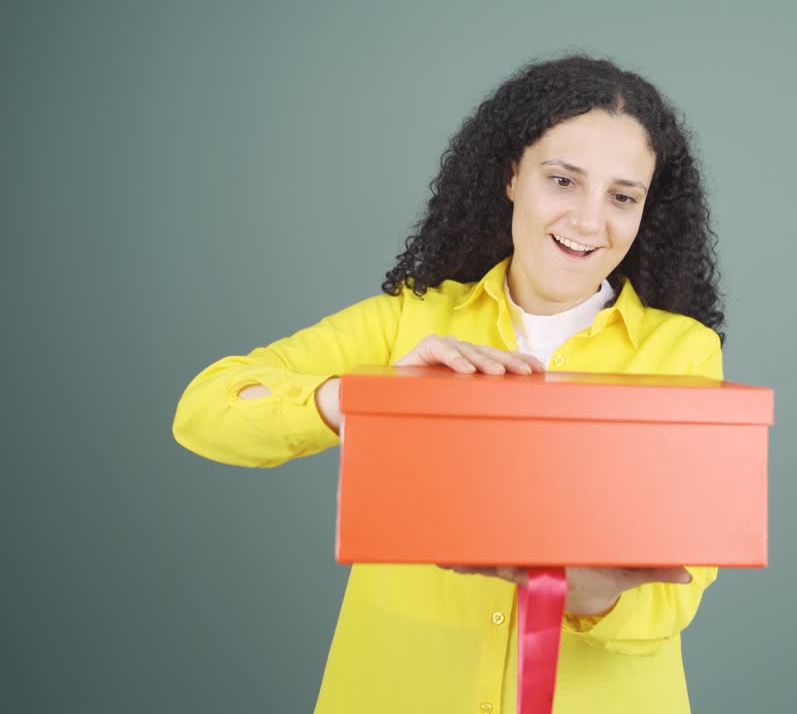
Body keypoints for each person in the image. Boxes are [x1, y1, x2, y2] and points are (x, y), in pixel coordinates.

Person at [172, 55, 726, 713]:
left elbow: (679, 589)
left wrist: (594, 597)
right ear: (512, 176)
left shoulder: (682, 354)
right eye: (562, 180)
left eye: (622, 197)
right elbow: (206, 410)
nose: (587, 221)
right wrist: (365, 400)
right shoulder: (408, 321)